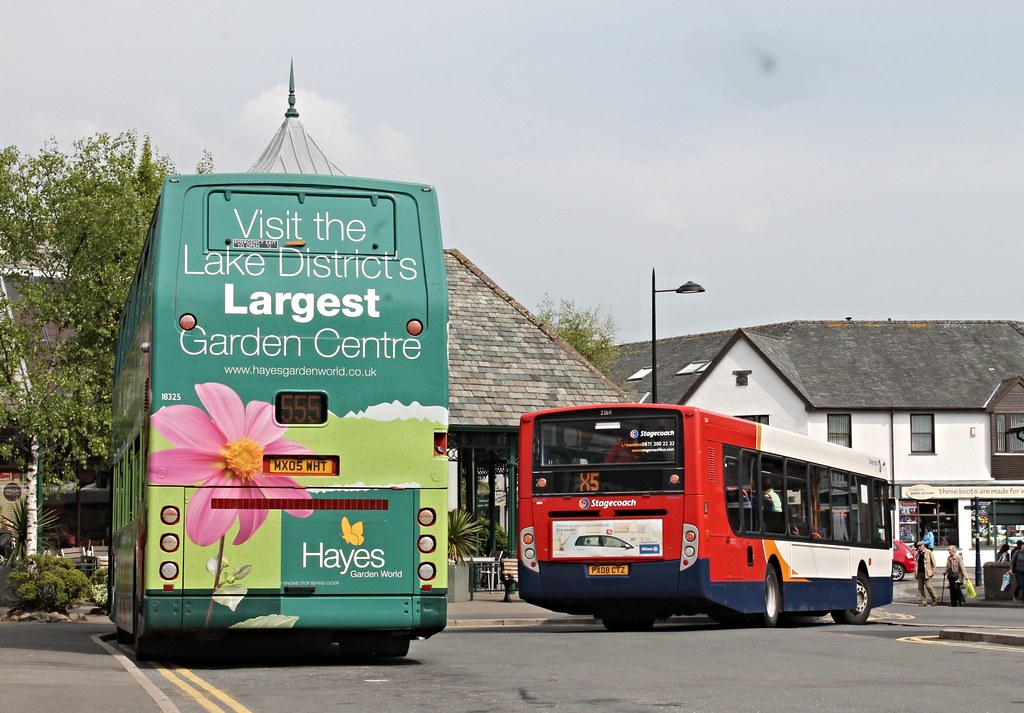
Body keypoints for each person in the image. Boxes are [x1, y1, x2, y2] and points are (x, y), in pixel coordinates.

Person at [915, 541, 938, 606]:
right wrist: (915, 573)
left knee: (928, 586)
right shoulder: (917, 553)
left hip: (927, 572)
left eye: (920, 546)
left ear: (923, 546)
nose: (919, 547)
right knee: (920, 588)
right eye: (918, 546)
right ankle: (924, 602)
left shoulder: (928, 552)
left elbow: (933, 563)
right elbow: (916, 563)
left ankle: (935, 598)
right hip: (919, 572)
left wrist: (933, 572)